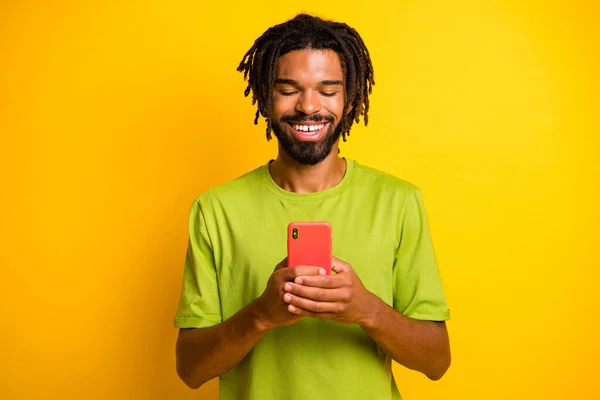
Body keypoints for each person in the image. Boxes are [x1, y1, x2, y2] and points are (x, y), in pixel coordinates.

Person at [173, 13, 451, 400]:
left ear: (349, 98)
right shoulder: (215, 210)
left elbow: (436, 362)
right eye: (289, 89)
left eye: (327, 89)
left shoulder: (398, 201)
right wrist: (262, 315)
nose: (308, 106)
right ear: (265, 95)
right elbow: (190, 370)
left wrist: (366, 309)